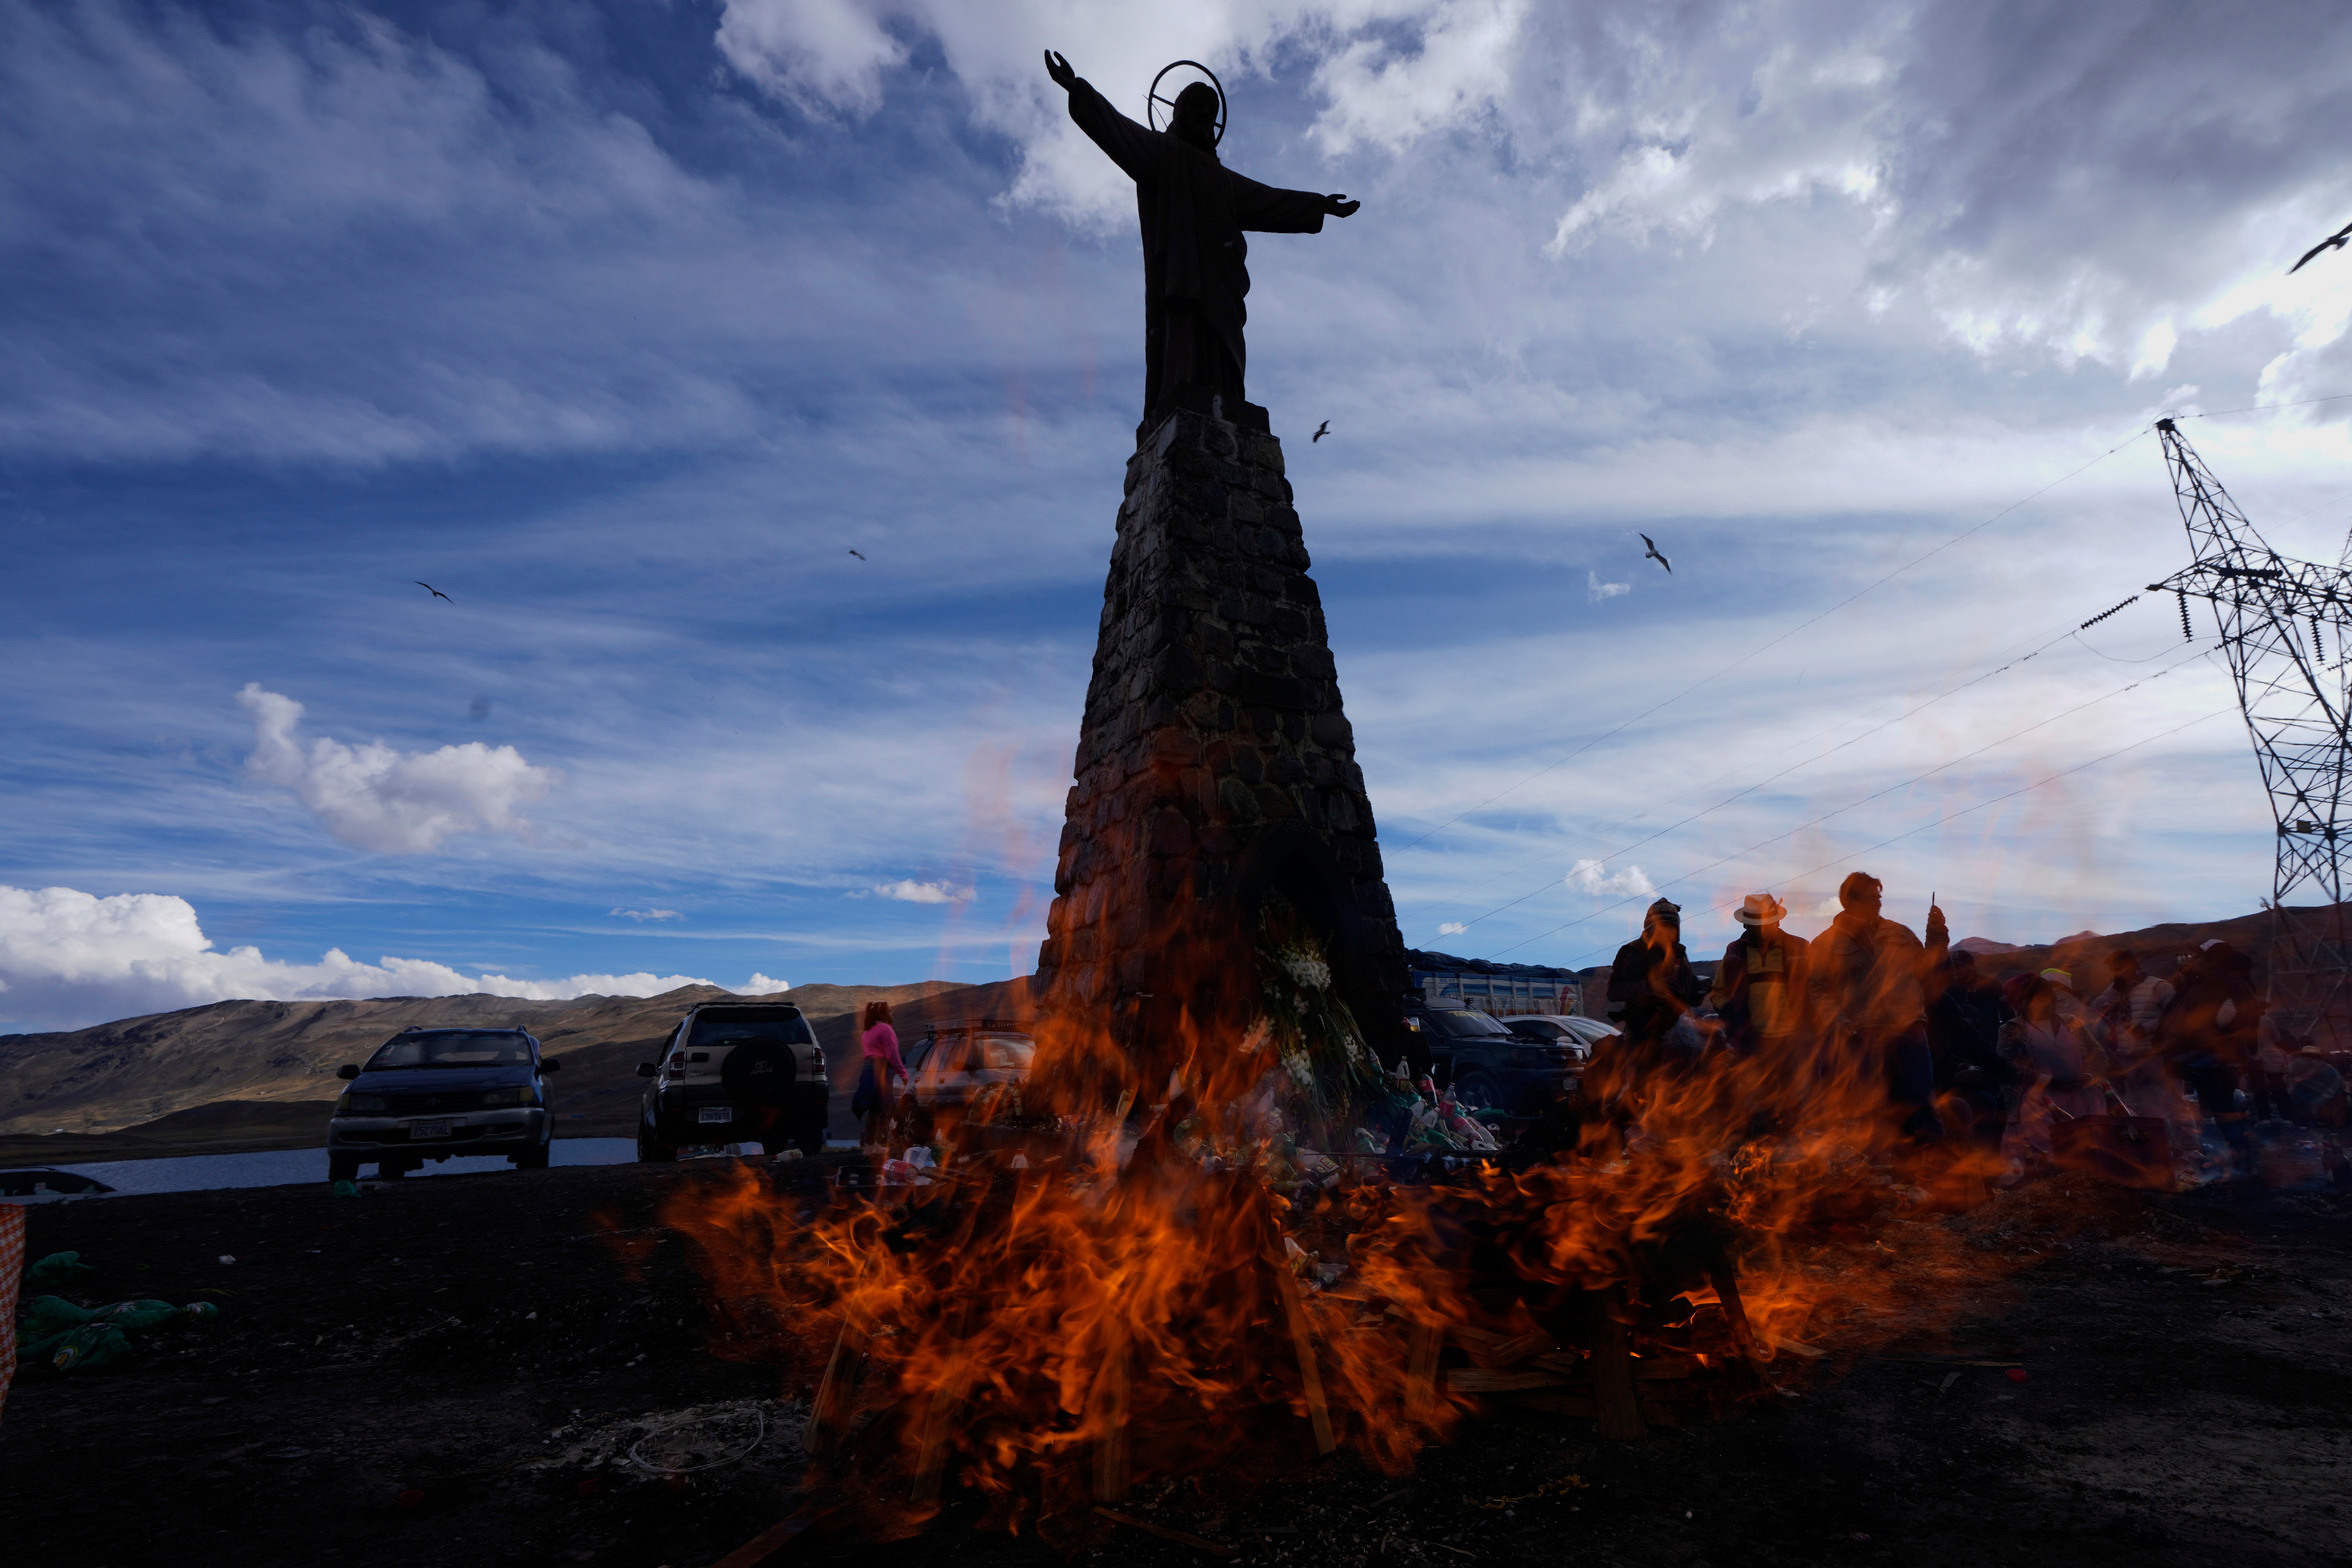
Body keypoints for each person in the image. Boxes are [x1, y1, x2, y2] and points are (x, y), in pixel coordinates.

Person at [1802, 871, 1947, 1140]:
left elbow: (1927, 970)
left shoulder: (1900, 933)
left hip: (1909, 1028)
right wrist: (1840, 1022)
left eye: (1879, 898)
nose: (1879, 903)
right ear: (1849, 901)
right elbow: (1819, 990)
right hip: (1864, 1034)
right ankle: (1883, 1160)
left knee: (1922, 1101)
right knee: (1873, 1104)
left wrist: (1937, 937)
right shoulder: (1825, 944)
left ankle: (1931, 1156)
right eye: (1871, 898)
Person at [1998, 971, 2104, 1157]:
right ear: (2023, 1003)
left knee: (2096, 1147)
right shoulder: (2012, 1029)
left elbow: (2098, 1055)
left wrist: (2087, 1077)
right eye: (2032, 1001)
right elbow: (2009, 1065)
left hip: (2083, 1097)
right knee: (2052, 1153)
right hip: (2039, 1103)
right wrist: (2047, 1080)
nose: (2039, 1005)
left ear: (2054, 1002)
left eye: (2044, 1000)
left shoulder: (2071, 1023)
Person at [1928, 949, 2016, 1148]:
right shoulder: (1942, 1001)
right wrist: (1954, 1076)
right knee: (1983, 1102)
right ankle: (1976, 1159)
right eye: (1953, 968)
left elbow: (2007, 1015)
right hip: (1941, 1078)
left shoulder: (1989, 987)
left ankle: (1993, 1154)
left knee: (1992, 1098)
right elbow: (1923, 1059)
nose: (1956, 972)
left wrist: (1958, 1068)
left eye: (1959, 966)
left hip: (1980, 1053)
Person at [1709, 893, 1809, 1058]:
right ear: (1745, 925)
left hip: (1796, 1042)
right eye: (1754, 926)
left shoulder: (1801, 948)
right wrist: (1735, 1016)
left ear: (1777, 922)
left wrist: (1810, 1030)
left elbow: (1815, 989)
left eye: (1765, 925)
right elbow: (1718, 993)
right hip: (1750, 1044)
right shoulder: (1734, 953)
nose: (1760, 931)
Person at [1607, 897, 1705, 1061]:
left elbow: (1689, 990)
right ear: (1651, 929)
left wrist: (1702, 989)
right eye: (1664, 927)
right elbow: (1614, 991)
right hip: (1643, 1037)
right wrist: (1652, 986)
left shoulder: (1679, 954)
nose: (1669, 932)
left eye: (1673, 927)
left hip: (1681, 1033)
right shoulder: (1633, 952)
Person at [855, 1000, 907, 1148]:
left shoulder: (867, 1032)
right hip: (881, 1073)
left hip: (868, 1073)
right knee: (888, 1107)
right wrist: (903, 1073)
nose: (893, 1013)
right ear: (882, 1015)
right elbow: (893, 1054)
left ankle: (871, 1145)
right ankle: (883, 1141)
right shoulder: (885, 1030)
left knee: (875, 1109)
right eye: (890, 1011)